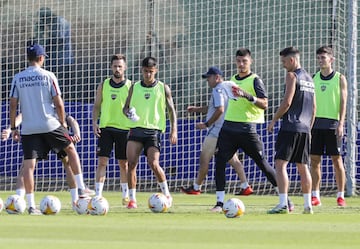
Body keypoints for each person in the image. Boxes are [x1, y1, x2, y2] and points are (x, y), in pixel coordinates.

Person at [212, 48, 294, 212]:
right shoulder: (232, 80)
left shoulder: (256, 80)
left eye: (244, 61)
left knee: (262, 164)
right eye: (239, 61)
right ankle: (219, 203)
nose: (241, 64)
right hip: (228, 128)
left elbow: (265, 104)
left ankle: (285, 200)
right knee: (220, 161)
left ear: (251, 61)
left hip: (248, 129)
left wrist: (248, 96)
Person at [9, 43, 87, 215]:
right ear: (41, 58)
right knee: (71, 151)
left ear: (28, 59)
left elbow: (13, 104)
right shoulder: (48, 75)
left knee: (29, 166)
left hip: (29, 127)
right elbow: (58, 103)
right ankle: (81, 189)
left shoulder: (18, 77)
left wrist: (14, 127)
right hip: (49, 123)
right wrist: (63, 123)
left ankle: (30, 205)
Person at [180, 66, 253, 196]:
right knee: (233, 159)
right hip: (228, 130)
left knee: (204, 159)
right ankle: (245, 186)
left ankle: (196, 187)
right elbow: (214, 107)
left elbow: (220, 109)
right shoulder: (229, 86)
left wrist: (206, 124)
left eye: (209, 78)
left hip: (215, 131)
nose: (208, 80)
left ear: (217, 77)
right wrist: (197, 109)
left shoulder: (217, 89)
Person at [2, 113, 95, 206]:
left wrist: (77, 133)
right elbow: (22, 115)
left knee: (67, 164)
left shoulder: (52, 108)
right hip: (48, 133)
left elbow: (71, 120)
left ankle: (76, 199)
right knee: (27, 166)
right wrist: (10, 129)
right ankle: (19, 200)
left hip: (46, 133)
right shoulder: (42, 106)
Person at [122, 56, 177, 209]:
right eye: (145, 71)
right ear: (142, 70)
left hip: (153, 130)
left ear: (156, 71)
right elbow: (125, 107)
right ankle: (132, 200)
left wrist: (174, 130)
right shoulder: (134, 87)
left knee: (153, 163)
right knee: (131, 163)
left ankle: (167, 194)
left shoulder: (162, 87)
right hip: (136, 129)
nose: (148, 75)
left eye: (151, 72)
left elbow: (171, 110)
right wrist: (128, 113)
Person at [267, 46, 315, 214]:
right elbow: (314, 107)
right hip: (305, 128)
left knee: (280, 164)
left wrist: (273, 120)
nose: (283, 65)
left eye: (284, 61)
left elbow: (287, 102)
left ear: (292, 60)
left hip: (290, 126)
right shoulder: (310, 78)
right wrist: (308, 127)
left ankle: (282, 204)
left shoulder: (292, 75)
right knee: (303, 167)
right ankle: (308, 205)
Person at [310, 46, 347, 207]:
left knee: (337, 160)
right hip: (316, 125)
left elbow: (343, 102)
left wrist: (341, 123)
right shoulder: (314, 78)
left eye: (323, 58)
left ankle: (340, 195)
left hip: (333, 124)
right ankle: (315, 195)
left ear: (331, 59)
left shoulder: (340, 78)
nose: (320, 60)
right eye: (319, 58)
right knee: (314, 160)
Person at [92, 54, 131, 205]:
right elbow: (97, 105)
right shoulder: (104, 85)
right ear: (111, 67)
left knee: (123, 163)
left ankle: (126, 194)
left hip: (124, 128)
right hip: (106, 128)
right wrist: (95, 122)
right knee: (102, 161)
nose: (117, 69)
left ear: (125, 68)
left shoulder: (130, 86)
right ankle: (98, 195)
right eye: (115, 66)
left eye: (120, 66)